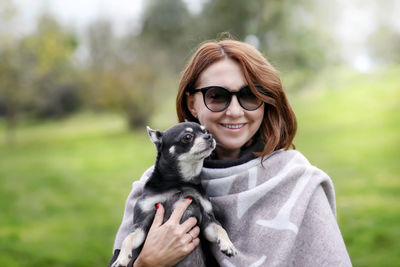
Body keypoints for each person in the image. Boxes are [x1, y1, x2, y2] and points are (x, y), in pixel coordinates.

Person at [109, 39, 352, 267]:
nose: (235, 111)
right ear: (192, 103)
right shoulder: (151, 187)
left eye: (249, 95)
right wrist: (147, 263)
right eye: (217, 96)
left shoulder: (298, 183)